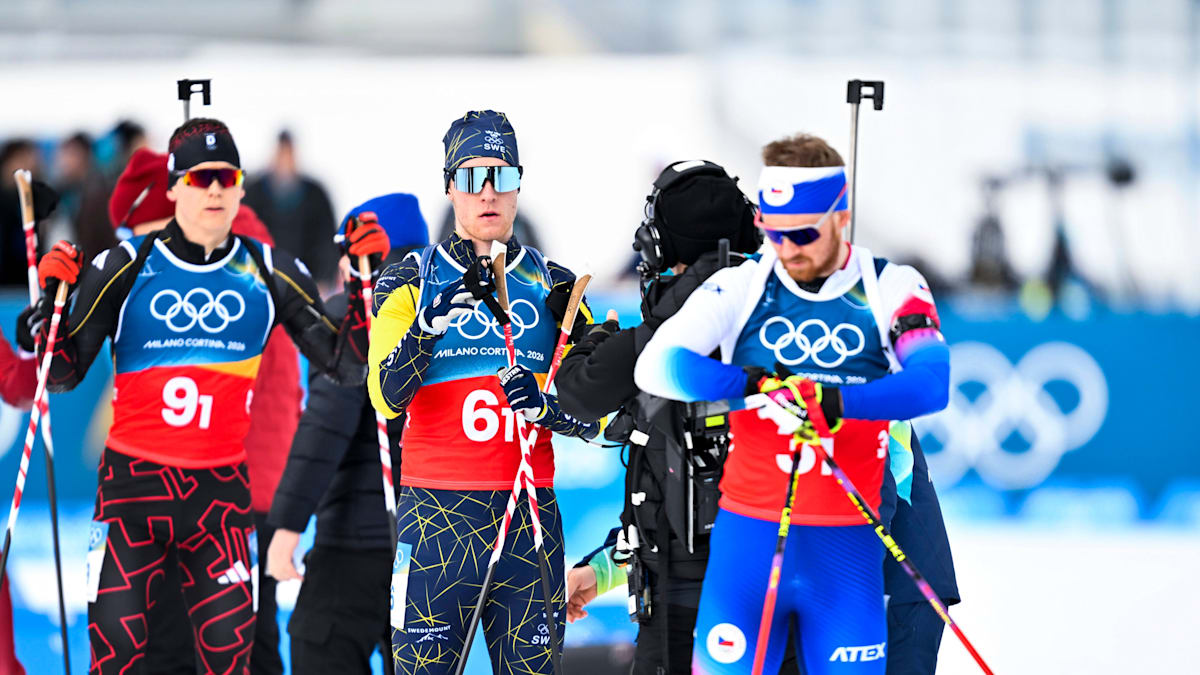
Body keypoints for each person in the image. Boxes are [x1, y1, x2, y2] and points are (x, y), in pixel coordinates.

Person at [16, 117, 387, 674]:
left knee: (229, 662)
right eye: (199, 178)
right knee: (118, 660)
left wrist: (362, 284)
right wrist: (53, 304)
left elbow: (347, 366)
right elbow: (61, 374)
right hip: (132, 496)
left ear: (241, 187)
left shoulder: (269, 270)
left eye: (225, 177)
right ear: (173, 188)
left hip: (220, 500)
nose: (214, 190)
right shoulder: (125, 265)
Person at [633, 133, 952, 675]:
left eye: (803, 233)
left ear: (841, 217)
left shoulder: (890, 287)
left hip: (846, 553)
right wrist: (752, 385)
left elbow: (931, 384)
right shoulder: (741, 286)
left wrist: (837, 401)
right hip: (747, 550)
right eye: (772, 231)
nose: (786, 249)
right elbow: (657, 366)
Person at [367, 110, 597, 675]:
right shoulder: (409, 278)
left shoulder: (558, 286)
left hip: (529, 524)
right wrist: (427, 327)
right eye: (472, 177)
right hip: (435, 523)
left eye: (503, 176)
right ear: (449, 185)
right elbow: (384, 397)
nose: (488, 192)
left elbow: (598, 418)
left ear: (520, 184)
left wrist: (548, 409)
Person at [553, 159, 797, 675]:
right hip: (787, 595)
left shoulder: (659, 341)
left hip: (682, 611)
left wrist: (592, 339)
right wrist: (603, 569)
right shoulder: (799, 325)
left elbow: (576, 392)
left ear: (661, 247)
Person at [99, 146, 304, 675]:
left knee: (176, 644)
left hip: (213, 485)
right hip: (248, 483)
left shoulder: (233, 267)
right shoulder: (254, 255)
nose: (139, 252)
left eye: (136, 233)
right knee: (245, 642)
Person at [265, 194, 428, 675]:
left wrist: (286, 526)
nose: (340, 264)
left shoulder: (359, 315)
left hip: (355, 546)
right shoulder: (446, 315)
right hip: (429, 545)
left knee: (318, 648)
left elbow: (326, 424)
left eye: (346, 250)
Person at [243, 130, 339, 290]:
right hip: (262, 279)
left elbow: (327, 242)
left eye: (289, 155)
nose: (285, 161)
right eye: (282, 154)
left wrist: (323, 280)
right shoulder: (254, 192)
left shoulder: (316, 194)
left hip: (307, 282)